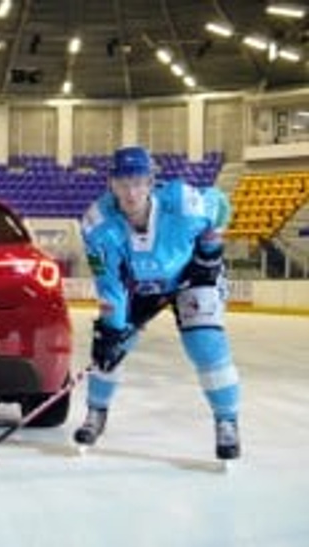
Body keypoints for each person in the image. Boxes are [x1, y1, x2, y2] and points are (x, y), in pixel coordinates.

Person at [75, 145, 241, 460]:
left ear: (151, 182)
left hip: (191, 277)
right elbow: (109, 283)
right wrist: (111, 331)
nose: (131, 192)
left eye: (138, 182)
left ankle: (227, 420)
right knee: (109, 351)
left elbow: (219, 203)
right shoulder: (97, 224)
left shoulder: (182, 202)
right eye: (123, 183)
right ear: (111, 184)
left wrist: (210, 252)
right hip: (138, 286)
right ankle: (96, 412)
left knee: (205, 343)